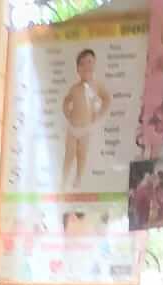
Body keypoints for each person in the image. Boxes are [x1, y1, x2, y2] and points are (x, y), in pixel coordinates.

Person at [63, 48, 110, 188]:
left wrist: (100, 113)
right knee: (69, 154)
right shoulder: (74, 88)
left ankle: (78, 178)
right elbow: (66, 100)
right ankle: (63, 178)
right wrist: (66, 112)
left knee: (82, 154)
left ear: (94, 64)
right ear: (78, 69)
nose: (86, 66)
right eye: (82, 64)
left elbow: (107, 98)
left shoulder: (97, 85)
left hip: (85, 128)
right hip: (72, 128)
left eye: (90, 62)